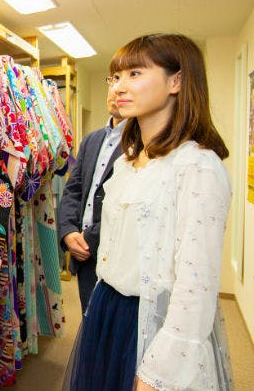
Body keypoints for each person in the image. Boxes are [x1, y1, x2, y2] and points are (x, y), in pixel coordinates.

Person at [63, 33, 233, 391]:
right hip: (107, 310)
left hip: (151, 318)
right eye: (115, 76)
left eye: (135, 74)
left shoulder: (196, 166)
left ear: (177, 81)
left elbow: (195, 288)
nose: (119, 87)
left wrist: (161, 372)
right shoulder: (127, 162)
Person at [58, 86, 125, 314]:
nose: (116, 89)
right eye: (113, 79)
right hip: (83, 254)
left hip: (116, 253)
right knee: (89, 318)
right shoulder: (91, 140)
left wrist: (89, 237)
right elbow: (73, 189)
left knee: (113, 331)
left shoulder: (146, 144)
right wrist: (68, 231)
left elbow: (127, 208)